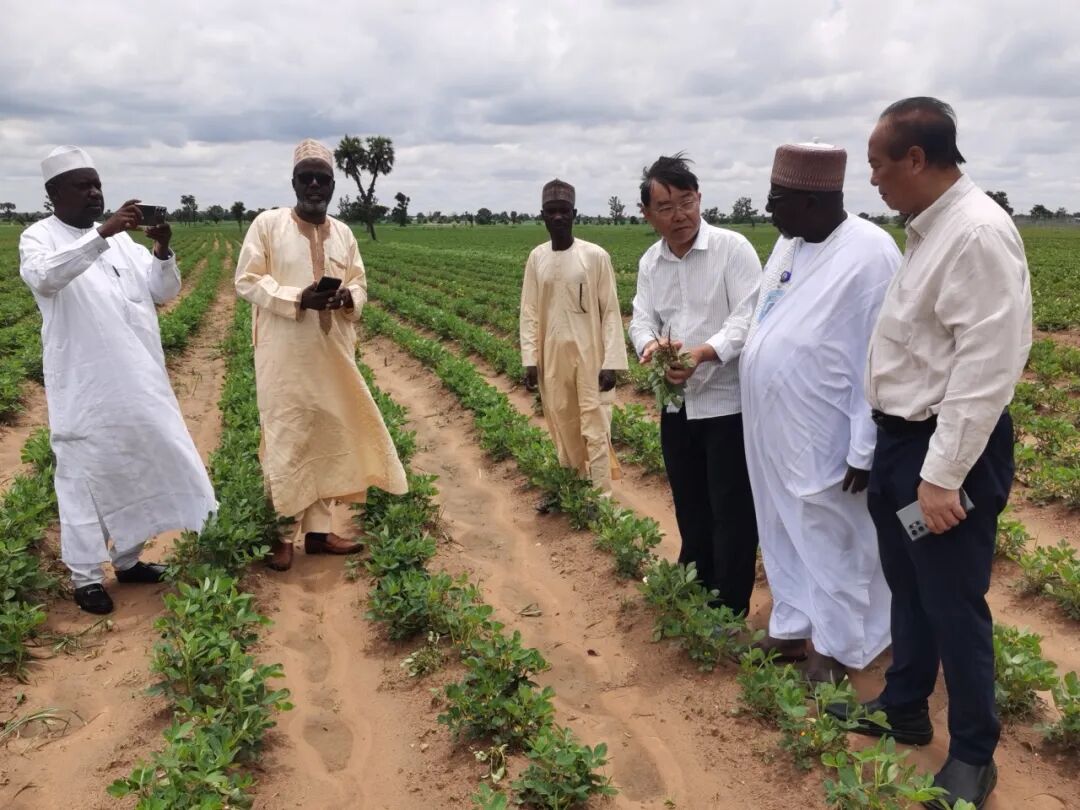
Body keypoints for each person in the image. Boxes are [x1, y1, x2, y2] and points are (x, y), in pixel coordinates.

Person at [828, 98, 1032, 810]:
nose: (873, 178)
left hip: (944, 454)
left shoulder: (976, 233)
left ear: (916, 158)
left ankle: (974, 753)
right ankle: (905, 705)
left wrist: (941, 477)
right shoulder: (930, 228)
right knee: (909, 587)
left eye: (878, 163)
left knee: (952, 602)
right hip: (901, 443)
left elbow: (986, 368)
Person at [19, 146, 217, 614]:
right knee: (83, 478)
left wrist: (162, 250)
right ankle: (86, 578)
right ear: (54, 193)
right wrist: (103, 233)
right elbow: (44, 278)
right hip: (85, 387)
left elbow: (163, 291)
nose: (94, 192)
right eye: (82, 185)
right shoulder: (39, 237)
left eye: (97, 184)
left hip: (140, 379)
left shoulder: (126, 244)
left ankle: (128, 561)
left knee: (135, 465)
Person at [741, 141, 900, 684]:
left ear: (811, 201)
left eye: (776, 199)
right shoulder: (790, 244)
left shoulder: (871, 253)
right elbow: (761, 314)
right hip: (772, 428)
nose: (768, 209)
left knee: (831, 540)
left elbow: (879, 357)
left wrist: (864, 446)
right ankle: (791, 624)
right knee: (779, 528)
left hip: (826, 434)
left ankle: (837, 647)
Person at [235, 138, 408, 571]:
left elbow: (360, 282)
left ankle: (318, 532)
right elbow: (247, 280)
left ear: (332, 186)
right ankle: (281, 536)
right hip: (285, 357)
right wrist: (299, 298)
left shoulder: (344, 233)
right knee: (287, 439)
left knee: (329, 435)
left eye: (322, 179)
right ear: (294, 183)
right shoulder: (267, 225)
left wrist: (348, 297)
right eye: (306, 178)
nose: (314, 185)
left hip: (333, 353)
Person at [627, 154, 761, 616]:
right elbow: (641, 319)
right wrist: (651, 346)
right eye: (665, 207)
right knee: (690, 502)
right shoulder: (651, 263)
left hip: (728, 404)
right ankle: (697, 584)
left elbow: (748, 317)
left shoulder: (732, 249)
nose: (679, 215)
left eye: (686, 202)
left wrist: (702, 353)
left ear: (700, 198)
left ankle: (729, 606)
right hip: (677, 406)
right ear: (647, 214)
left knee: (731, 508)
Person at [519, 179, 628, 508]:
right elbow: (529, 311)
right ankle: (572, 486)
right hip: (552, 356)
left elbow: (611, 312)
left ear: (574, 214)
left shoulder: (595, 256)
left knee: (595, 424)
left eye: (563, 211)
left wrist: (611, 362)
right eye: (551, 212)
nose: (558, 217)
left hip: (591, 355)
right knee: (562, 422)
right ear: (542, 216)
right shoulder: (536, 258)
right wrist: (529, 358)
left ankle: (601, 497)